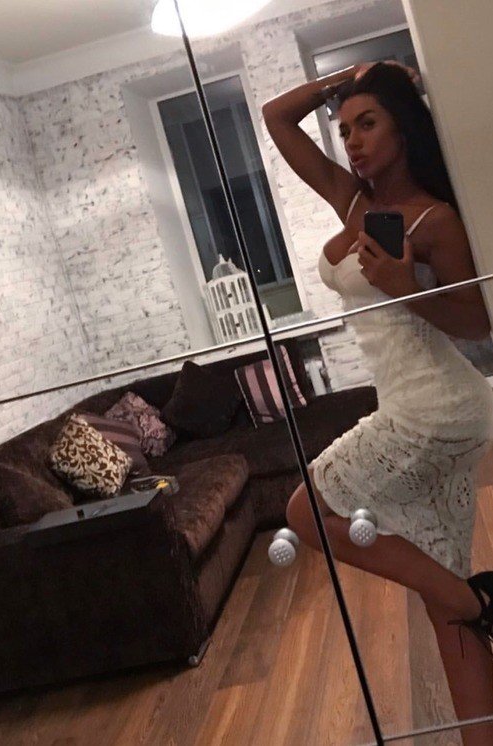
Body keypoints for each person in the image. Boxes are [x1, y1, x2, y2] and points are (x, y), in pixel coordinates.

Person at [262, 61, 493, 743]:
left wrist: (404, 287)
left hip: (435, 409)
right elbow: (276, 117)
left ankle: (469, 596)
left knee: (306, 511)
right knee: (442, 606)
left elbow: (477, 322)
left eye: (368, 123)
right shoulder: (351, 201)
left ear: (403, 129)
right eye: (344, 130)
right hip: (414, 402)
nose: (353, 141)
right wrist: (347, 78)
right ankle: (468, 613)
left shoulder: (434, 218)